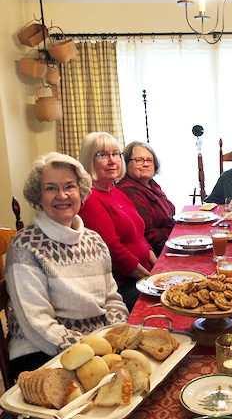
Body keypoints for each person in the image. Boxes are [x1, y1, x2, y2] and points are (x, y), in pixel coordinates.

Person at [5, 153, 128, 379]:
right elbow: (37, 324)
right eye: (51, 188)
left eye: (69, 186)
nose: (62, 195)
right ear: (38, 196)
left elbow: (113, 300)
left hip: (98, 345)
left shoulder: (94, 240)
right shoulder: (24, 246)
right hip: (42, 352)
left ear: (81, 191)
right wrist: (90, 350)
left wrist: (114, 338)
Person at [79, 132, 156, 311]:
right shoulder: (89, 199)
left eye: (115, 154)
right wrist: (150, 279)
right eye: (102, 155)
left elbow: (140, 237)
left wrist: (158, 267)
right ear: (88, 160)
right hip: (123, 285)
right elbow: (113, 251)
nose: (112, 161)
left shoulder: (117, 192)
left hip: (143, 276)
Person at [117, 141, 175, 256]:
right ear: (126, 163)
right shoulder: (128, 190)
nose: (145, 164)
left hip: (169, 242)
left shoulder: (151, 184)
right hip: (158, 253)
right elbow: (148, 235)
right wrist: (177, 240)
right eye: (139, 160)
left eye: (149, 160)